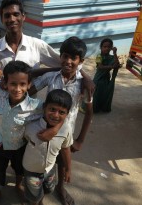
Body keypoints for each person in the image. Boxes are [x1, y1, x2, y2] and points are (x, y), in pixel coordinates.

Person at [0, 0, 94, 101]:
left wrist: (86, 77)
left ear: (23, 17)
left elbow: (63, 62)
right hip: (2, 107)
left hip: (30, 108)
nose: (12, 19)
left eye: (16, 14)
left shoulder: (37, 45)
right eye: (7, 16)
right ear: (2, 19)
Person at [29, 36, 93, 205]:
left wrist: (80, 140)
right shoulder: (52, 77)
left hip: (67, 134)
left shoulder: (84, 84)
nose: (68, 61)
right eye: (65, 56)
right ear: (60, 56)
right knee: (44, 158)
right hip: (44, 129)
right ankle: (39, 187)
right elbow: (29, 88)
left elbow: (89, 113)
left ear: (81, 61)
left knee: (62, 161)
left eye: (74, 58)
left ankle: (60, 188)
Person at [0, 61, 62, 205]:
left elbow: (57, 114)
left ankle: (18, 185)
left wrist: (55, 129)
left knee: (19, 169)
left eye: (22, 84)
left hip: (19, 145)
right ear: (6, 84)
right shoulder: (1, 94)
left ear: (29, 85)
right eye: (13, 84)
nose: (17, 89)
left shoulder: (36, 106)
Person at [23, 89, 73, 205]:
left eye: (61, 112)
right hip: (31, 169)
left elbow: (66, 149)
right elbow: (24, 139)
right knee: (34, 196)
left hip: (50, 168)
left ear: (67, 114)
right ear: (44, 107)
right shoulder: (31, 126)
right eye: (52, 109)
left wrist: (68, 169)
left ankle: (40, 200)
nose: (55, 115)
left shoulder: (66, 130)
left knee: (48, 189)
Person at [92, 38, 121, 113]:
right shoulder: (99, 56)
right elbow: (100, 67)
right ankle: (94, 109)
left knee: (104, 93)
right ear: (101, 47)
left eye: (108, 47)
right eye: (104, 47)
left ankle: (102, 107)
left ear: (111, 48)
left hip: (106, 78)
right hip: (98, 79)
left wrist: (115, 53)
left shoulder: (111, 57)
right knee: (96, 94)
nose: (106, 48)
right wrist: (111, 67)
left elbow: (117, 64)